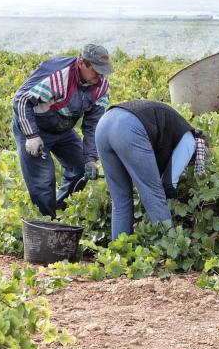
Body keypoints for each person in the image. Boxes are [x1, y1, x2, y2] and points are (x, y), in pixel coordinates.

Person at [12, 44, 112, 218]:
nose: (100, 75)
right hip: (34, 124)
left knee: (81, 168)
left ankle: (60, 211)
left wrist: (90, 158)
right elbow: (21, 99)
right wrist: (31, 135)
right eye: (96, 70)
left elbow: (92, 125)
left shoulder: (101, 87)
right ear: (81, 63)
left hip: (62, 128)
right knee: (43, 181)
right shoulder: (59, 76)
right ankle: (47, 224)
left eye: (103, 71)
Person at [95, 100, 208, 240]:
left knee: (120, 200)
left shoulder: (175, 132)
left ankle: (119, 254)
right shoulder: (191, 141)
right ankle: (173, 248)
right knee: (155, 194)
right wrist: (171, 207)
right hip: (128, 127)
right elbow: (168, 183)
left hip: (104, 125)